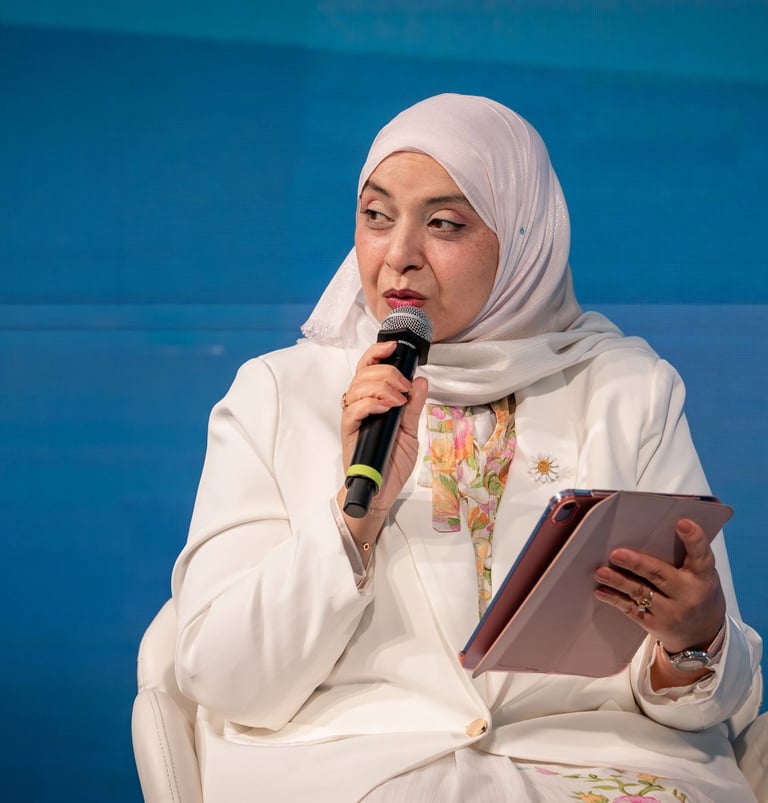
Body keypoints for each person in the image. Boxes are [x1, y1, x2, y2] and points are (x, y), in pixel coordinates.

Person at [171, 93, 763, 802]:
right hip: (363, 770)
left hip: (586, 766)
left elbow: (711, 702)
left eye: (444, 224)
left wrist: (691, 641)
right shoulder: (277, 393)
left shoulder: (627, 391)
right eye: (376, 216)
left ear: (524, 239)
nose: (399, 255)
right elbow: (222, 677)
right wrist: (354, 522)